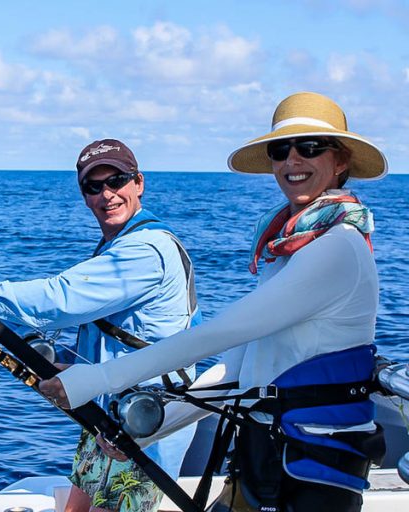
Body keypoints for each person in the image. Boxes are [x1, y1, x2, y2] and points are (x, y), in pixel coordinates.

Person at [40, 92, 389, 511]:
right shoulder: (288, 251)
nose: (293, 160)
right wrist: (148, 429)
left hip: (317, 464)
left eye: (310, 147)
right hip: (264, 454)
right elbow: (239, 365)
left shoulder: (338, 248)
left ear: (341, 161)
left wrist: (94, 380)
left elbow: (218, 334)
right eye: (281, 150)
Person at [0, 139, 201, 512]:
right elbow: (125, 337)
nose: (107, 194)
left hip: (145, 421)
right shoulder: (117, 245)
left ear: (139, 183)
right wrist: (70, 372)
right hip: (107, 414)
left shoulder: (146, 250)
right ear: (84, 195)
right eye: (94, 186)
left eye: (117, 180)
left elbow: (60, 298)